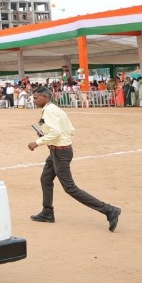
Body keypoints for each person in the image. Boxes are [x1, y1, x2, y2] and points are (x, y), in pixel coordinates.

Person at [27, 86, 121, 231]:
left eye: (35, 98)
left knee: (70, 188)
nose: (33, 100)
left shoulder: (50, 111)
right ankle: (47, 212)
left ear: (45, 97)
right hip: (58, 151)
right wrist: (47, 136)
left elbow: (56, 133)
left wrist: (37, 142)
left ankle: (109, 210)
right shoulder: (56, 109)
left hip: (60, 152)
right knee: (45, 179)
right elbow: (71, 130)